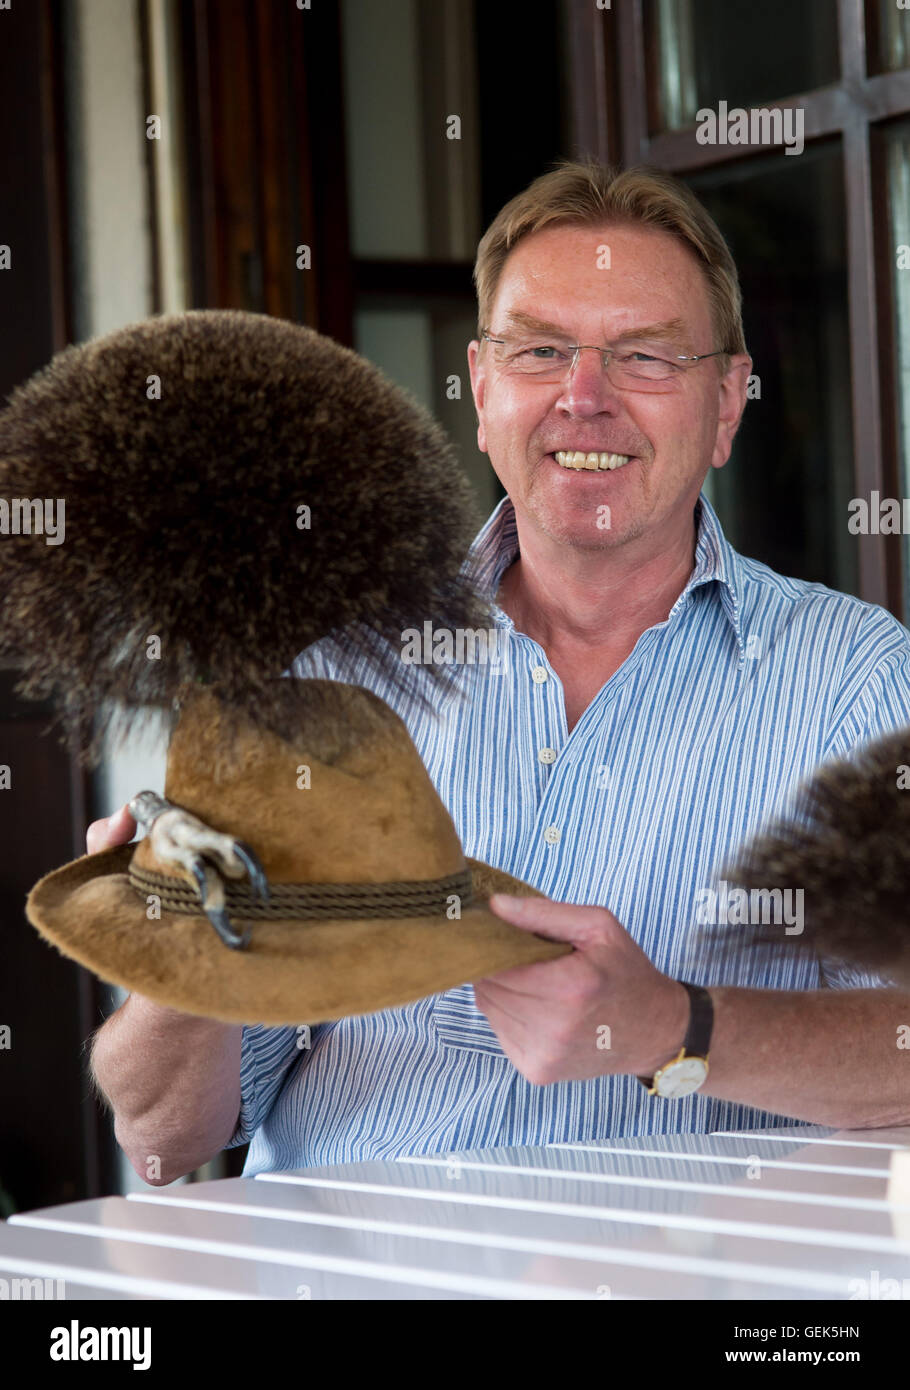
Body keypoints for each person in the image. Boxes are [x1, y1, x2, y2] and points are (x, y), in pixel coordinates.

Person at [89, 161, 910, 1184]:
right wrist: (182, 936)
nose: (583, 398)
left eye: (644, 356)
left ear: (727, 402)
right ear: (482, 392)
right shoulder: (337, 677)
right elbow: (165, 1135)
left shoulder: (854, 678)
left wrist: (675, 1025)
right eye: (540, 351)